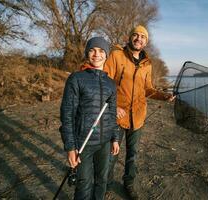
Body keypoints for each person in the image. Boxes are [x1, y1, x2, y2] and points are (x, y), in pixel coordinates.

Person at [104, 25, 174, 199]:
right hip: (117, 117)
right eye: (135, 35)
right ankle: (105, 186)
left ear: (146, 42)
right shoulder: (116, 55)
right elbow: (104, 82)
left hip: (138, 117)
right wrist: (113, 107)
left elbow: (148, 89)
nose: (138, 38)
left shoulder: (147, 64)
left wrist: (164, 96)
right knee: (111, 155)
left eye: (143, 37)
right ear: (130, 37)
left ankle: (129, 184)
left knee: (132, 155)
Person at [59, 37, 120, 200]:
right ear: (87, 53)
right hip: (83, 143)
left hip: (104, 143)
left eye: (101, 51)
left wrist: (115, 138)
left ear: (106, 55)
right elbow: (67, 114)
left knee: (102, 181)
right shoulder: (76, 78)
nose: (96, 54)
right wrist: (70, 147)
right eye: (92, 50)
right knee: (84, 184)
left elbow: (112, 113)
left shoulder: (111, 84)